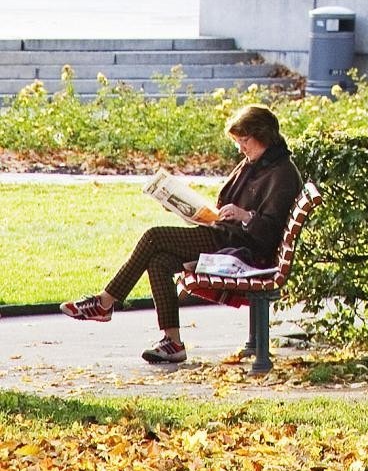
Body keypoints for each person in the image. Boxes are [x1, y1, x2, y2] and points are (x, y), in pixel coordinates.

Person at [60, 102, 302, 366]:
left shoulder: (282, 174)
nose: (241, 148)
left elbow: (268, 233)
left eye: (245, 141)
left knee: (154, 236)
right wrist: (187, 210)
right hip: (224, 236)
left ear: (264, 136)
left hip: (242, 251)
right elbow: (224, 207)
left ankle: (105, 303)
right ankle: (172, 342)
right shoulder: (253, 163)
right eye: (238, 143)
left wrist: (244, 216)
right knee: (158, 260)